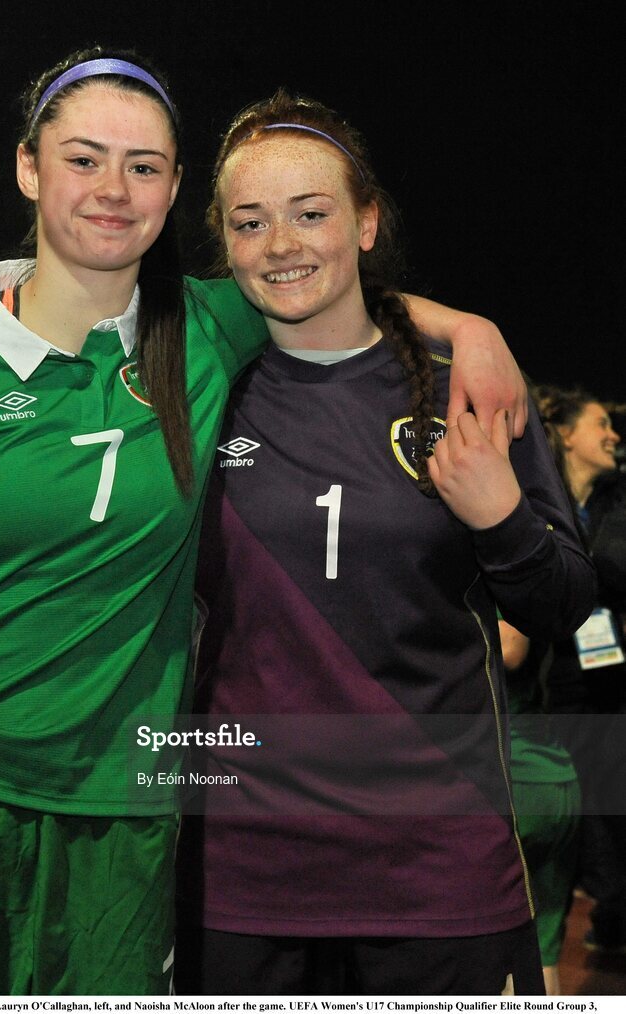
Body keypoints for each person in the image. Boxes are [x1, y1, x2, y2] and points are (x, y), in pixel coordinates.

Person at [0, 48, 530, 996]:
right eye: (83, 159)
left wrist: (472, 331)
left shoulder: (210, 327)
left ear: (175, 189)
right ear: (29, 167)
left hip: (125, 813)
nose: (112, 189)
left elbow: (327, 280)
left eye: (143, 167)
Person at [173, 91, 595, 996]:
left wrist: (501, 520)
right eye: (251, 223)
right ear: (225, 243)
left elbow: (564, 605)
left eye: (311, 213)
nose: (281, 243)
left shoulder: (464, 389)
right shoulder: (203, 390)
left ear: (366, 222)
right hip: (244, 877)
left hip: (436, 872)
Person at [532, 384, 626, 955]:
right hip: (546, 685)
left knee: (610, 802)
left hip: (610, 678)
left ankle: (612, 917)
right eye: (599, 424)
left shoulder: (617, 505)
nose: (613, 434)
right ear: (566, 434)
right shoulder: (536, 495)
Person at [498, 616, 581, 995]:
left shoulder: (492, 578)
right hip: (552, 773)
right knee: (541, 948)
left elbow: (512, 648)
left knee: (488, 948)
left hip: (515, 780)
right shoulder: (540, 583)